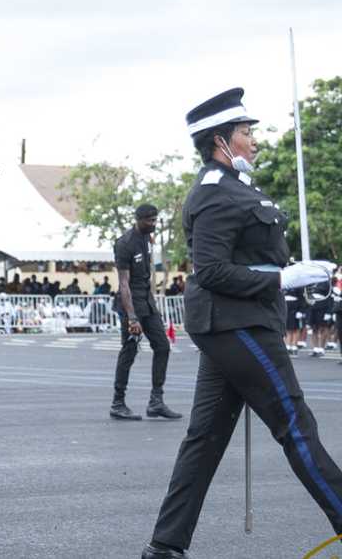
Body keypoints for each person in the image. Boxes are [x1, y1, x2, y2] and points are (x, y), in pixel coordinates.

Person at [142, 88, 342, 559]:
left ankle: (165, 547)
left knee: (205, 438)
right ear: (221, 140)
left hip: (240, 321)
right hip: (235, 325)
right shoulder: (214, 193)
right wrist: (281, 278)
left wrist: (294, 277)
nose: (254, 140)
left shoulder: (237, 188)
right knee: (295, 421)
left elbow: (250, 257)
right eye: (246, 132)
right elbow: (210, 270)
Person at [110, 205, 179, 421]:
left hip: (147, 302)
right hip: (131, 304)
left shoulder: (147, 239)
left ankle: (156, 401)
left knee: (163, 347)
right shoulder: (124, 243)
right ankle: (118, 403)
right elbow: (123, 283)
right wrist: (132, 317)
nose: (153, 224)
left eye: (155, 220)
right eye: (149, 220)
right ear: (138, 219)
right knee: (129, 352)